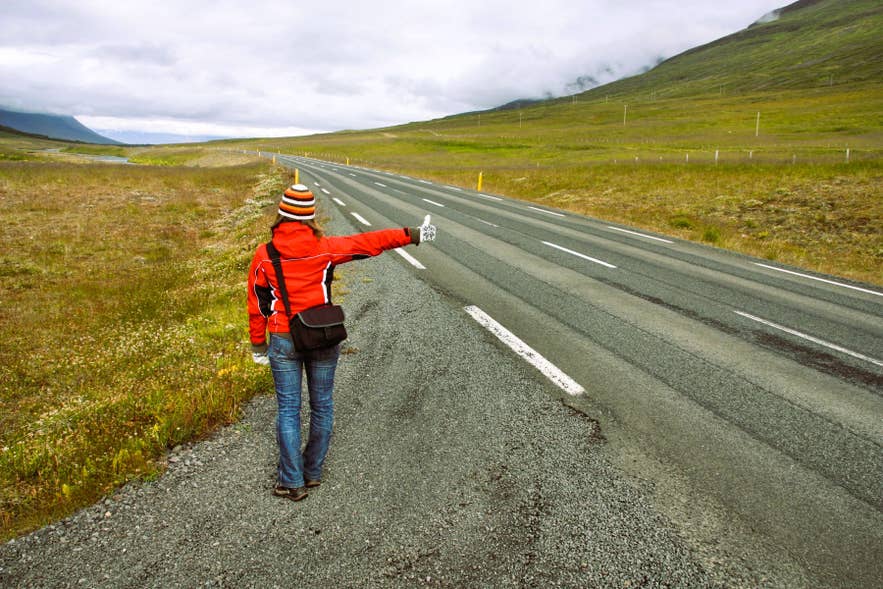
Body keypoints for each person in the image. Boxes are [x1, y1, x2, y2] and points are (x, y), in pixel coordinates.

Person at [247, 183, 437, 501]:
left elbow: (258, 302)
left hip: (283, 338)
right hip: (323, 335)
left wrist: (257, 346)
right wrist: (413, 233)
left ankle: (291, 482)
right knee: (322, 406)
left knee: (289, 411)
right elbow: (369, 242)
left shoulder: (264, 255)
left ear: (281, 215)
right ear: (310, 217)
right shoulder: (326, 247)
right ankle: (313, 473)